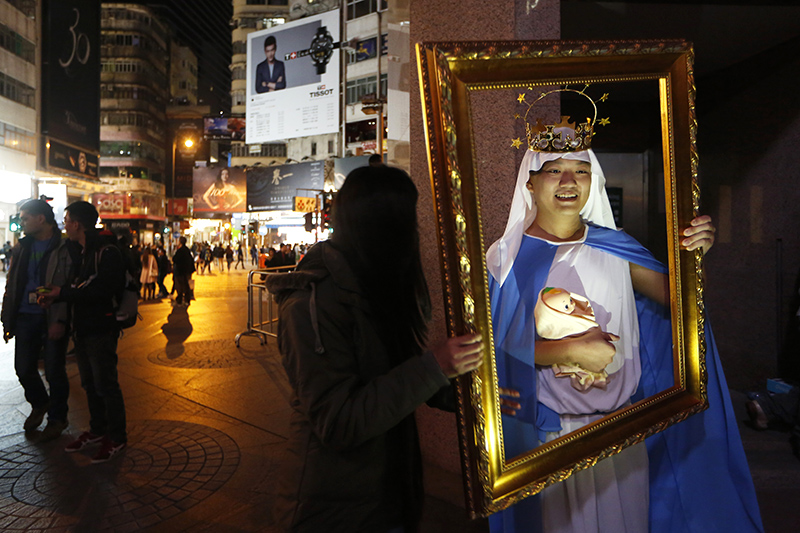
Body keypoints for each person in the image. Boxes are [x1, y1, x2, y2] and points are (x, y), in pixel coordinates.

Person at [486, 131, 762, 531]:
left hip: (623, 429)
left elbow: (679, 304)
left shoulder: (616, 247)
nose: (569, 181)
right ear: (530, 182)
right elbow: (499, 352)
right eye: (555, 171)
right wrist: (570, 351)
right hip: (551, 438)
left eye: (581, 170)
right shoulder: (507, 258)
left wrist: (695, 256)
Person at [264, 165, 483, 532]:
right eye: (401, 222)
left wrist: (474, 394)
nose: (413, 234)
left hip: (391, 497)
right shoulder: (310, 303)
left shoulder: (377, 283)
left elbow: (398, 372)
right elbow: (338, 421)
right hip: (333, 509)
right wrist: (434, 368)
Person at [38, 201, 127, 463]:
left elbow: (99, 291)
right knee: (89, 383)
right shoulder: (80, 251)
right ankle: (98, 430)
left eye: (66, 220)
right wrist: (57, 297)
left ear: (77, 223)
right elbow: (77, 286)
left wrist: (61, 293)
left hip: (102, 328)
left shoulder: (106, 251)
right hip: (83, 328)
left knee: (106, 383)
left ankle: (117, 437)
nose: (64, 225)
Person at [1, 199, 71, 442]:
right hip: (25, 316)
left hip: (51, 315)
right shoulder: (22, 247)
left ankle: (57, 418)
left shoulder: (63, 247)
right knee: (23, 368)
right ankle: (40, 403)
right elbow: (13, 284)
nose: (21, 222)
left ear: (41, 219)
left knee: (53, 370)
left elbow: (67, 285)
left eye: (25, 218)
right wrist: (7, 318)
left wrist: (60, 320)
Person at [172, 236, 195, 307]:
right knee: (186, 286)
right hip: (186, 271)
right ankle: (187, 300)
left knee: (179, 287)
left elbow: (174, 259)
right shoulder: (187, 250)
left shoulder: (180, 250)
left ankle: (179, 300)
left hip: (180, 271)